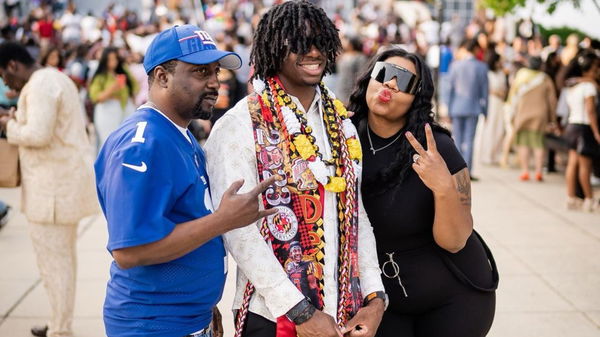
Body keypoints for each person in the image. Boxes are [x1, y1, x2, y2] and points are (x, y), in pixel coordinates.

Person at [204, 2, 386, 337]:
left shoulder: (341, 122)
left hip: (343, 312)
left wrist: (375, 299)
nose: (313, 51)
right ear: (273, 47)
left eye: (320, 41)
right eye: (299, 43)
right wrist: (301, 313)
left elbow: (355, 214)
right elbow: (238, 233)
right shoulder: (240, 124)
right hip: (273, 317)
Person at [95, 24, 279, 337]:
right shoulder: (143, 141)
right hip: (152, 324)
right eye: (200, 72)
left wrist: (204, 306)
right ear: (162, 77)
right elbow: (130, 251)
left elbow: (185, 221)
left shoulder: (179, 132)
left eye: (215, 72)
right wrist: (223, 221)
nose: (214, 83)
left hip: (186, 319)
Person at [347, 47, 497, 337]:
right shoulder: (343, 138)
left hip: (453, 296)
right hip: (381, 300)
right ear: (369, 79)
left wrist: (443, 188)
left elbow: (454, 241)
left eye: (403, 81)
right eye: (384, 74)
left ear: (416, 97)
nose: (390, 84)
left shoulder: (438, 147)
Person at [0, 41, 99, 337]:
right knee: (61, 263)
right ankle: (59, 323)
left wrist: (7, 127)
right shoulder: (56, 78)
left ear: (13, 65)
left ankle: (60, 330)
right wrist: (17, 115)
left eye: (5, 75)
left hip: (51, 192)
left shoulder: (40, 85)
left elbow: (39, 134)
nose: (7, 82)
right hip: (61, 186)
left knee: (54, 265)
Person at [507, 56, 557, 181]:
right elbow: (552, 100)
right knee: (538, 143)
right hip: (540, 114)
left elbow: (513, 95)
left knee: (523, 143)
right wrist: (553, 118)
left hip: (523, 113)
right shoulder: (545, 78)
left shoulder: (521, 75)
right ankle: (539, 171)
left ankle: (525, 171)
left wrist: (511, 114)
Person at [563, 50, 600, 211]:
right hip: (584, 127)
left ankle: (571, 198)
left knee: (572, 164)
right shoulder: (590, 87)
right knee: (585, 166)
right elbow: (590, 110)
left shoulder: (573, 85)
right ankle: (589, 199)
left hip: (572, 125)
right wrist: (597, 132)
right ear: (591, 69)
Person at [448, 39, 488, 179]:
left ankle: (456, 171)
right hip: (473, 108)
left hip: (456, 107)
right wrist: (485, 111)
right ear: (476, 50)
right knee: (470, 140)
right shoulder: (481, 67)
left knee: (457, 140)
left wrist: (448, 109)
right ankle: (467, 172)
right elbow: (484, 91)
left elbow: (450, 89)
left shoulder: (455, 65)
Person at [89, 47, 139, 148]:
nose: (113, 62)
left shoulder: (122, 71)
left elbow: (135, 86)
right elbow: (95, 97)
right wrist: (112, 89)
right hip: (107, 111)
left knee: (125, 140)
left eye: (115, 59)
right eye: (110, 59)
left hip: (123, 108)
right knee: (109, 142)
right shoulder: (101, 76)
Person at [478, 50, 506, 166]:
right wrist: (495, 93)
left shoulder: (501, 73)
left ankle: (495, 154)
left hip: (500, 103)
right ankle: (487, 155)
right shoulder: (487, 73)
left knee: (499, 129)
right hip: (491, 102)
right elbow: (484, 89)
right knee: (490, 128)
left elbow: (504, 88)